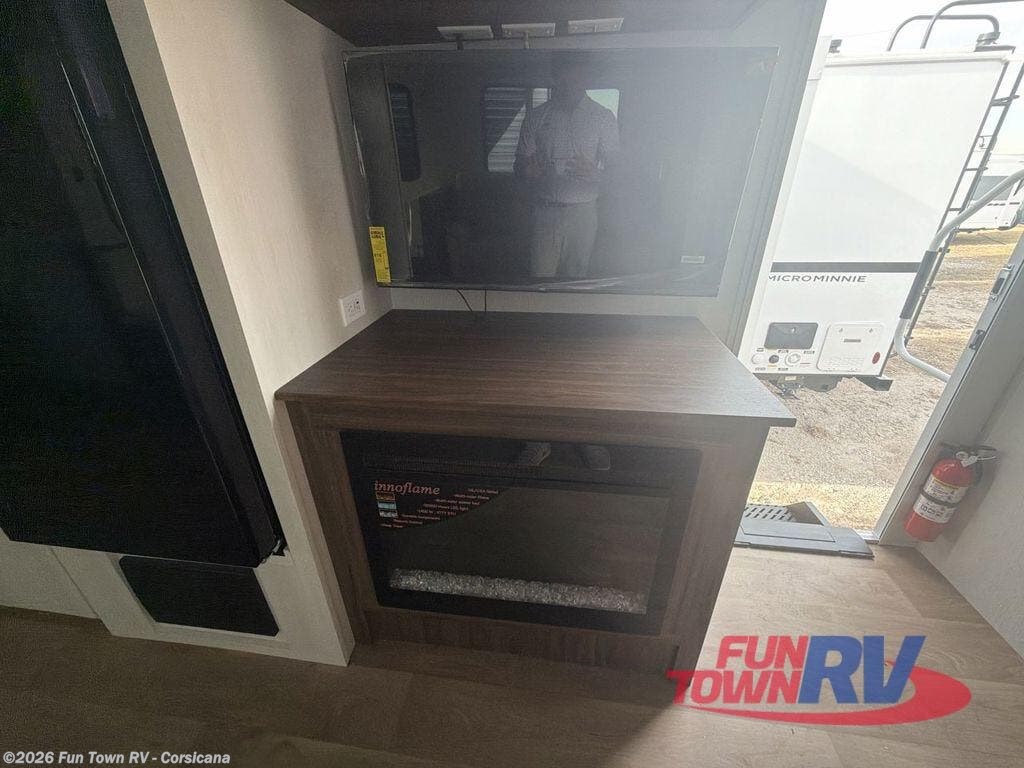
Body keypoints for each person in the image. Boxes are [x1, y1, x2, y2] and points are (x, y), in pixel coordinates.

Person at [514, 55, 619, 280]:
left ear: (586, 78)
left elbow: (617, 172)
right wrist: (526, 171)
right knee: (539, 278)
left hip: (584, 213)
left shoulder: (603, 117)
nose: (570, 83)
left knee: (576, 279)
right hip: (544, 211)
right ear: (555, 77)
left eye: (577, 77)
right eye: (564, 77)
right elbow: (519, 165)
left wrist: (596, 174)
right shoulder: (536, 116)